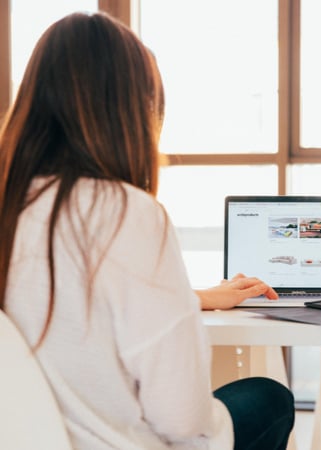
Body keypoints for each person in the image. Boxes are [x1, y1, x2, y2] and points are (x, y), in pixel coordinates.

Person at [0, 12, 294, 450]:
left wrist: (194, 298)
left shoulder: (11, 203)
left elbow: (65, 306)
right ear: (133, 111)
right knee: (269, 398)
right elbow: (181, 418)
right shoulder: (125, 213)